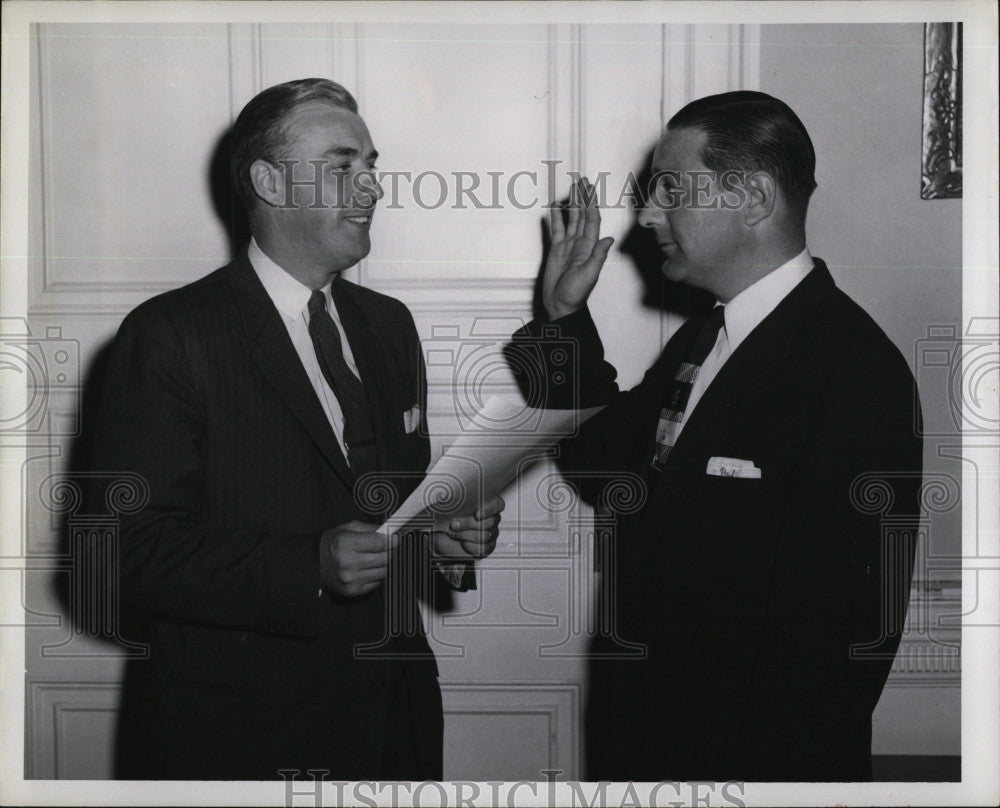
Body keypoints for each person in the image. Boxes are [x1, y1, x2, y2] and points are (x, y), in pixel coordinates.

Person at [91, 78, 504, 780]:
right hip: (241, 739)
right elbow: (118, 550)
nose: (371, 188)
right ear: (268, 181)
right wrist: (303, 566)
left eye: (371, 166)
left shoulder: (388, 327)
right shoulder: (169, 335)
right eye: (343, 167)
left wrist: (439, 533)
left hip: (392, 722)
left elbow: (391, 508)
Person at [508, 91, 922, 781]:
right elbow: (605, 466)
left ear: (754, 198)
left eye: (671, 188)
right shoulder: (710, 335)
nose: (646, 215)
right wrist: (561, 317)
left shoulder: (856, 372)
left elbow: (837, 654)